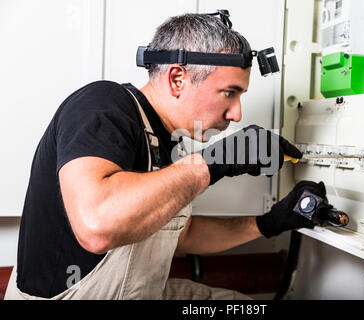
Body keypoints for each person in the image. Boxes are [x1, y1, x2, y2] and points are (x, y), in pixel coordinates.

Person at [5, 12, 328, 300]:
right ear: (177, 79)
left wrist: (272, 222)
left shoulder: (171, 143)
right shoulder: (102, 104)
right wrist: (213, 162)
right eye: (229, 93)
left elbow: (181, 236)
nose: (236, 113)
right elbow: (96, 225)